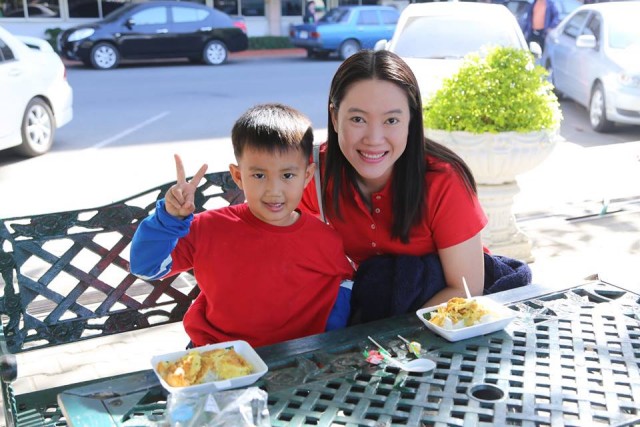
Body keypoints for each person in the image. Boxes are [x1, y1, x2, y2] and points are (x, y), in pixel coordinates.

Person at [299, 50, 530, 319]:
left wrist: (392, 338)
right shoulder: (314, 172)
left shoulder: (443, 180)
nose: (374, 139)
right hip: (373, 306)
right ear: (335, 117)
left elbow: (465, 290)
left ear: (411, 120)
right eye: (358, 119)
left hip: (442, 317)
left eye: (392, 120)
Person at [130, 103, 354, 348]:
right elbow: (146, 268)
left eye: (287, 175)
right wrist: (169, 220)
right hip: (216, 356)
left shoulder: (324, 238)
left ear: (307, 176)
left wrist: (325, 344)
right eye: (259, 175)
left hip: (295, 364)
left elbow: (344, 288)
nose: (273, 190)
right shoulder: (207, 228)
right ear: (238, 176)